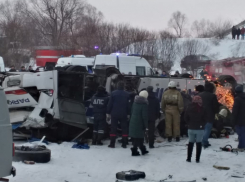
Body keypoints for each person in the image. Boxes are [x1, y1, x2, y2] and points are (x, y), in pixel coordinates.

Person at [107, 81, 130, 148]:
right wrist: (128, 113)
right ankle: (124, 143)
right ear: (123, 86)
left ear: (117, 86)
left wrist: (108, 112)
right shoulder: (127, 94)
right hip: (124, 113)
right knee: (124, 128)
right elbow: (128, 105)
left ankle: (112, 144)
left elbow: (110, 104)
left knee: (113, 128)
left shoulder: (113, 93)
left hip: (114, 113)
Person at [184, 95, 206, 163]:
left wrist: (189, 123)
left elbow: (185, 117)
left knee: (191, 143)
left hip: (191, 128)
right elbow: (205, 118)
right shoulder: (202, 108)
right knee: (199, 143)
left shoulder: (189, 107)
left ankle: (188, 158)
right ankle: (197, 159)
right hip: (200, 128)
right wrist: (202, 124)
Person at [199, 82, 219, 148]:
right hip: (209, 115)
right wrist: (216, 112)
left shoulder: (200, 95)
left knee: (202, 129)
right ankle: (204, 142)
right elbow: (215, 106)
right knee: (207, 129)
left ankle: (202, 141)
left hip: (201, 114)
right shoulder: (213, 96)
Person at [129, 90, 149, 156]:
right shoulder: (144, 105)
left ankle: (143, 149)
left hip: (133, 121)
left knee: (138, 137)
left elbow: (131, 112)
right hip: (140, 123)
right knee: (138, 137)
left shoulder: (135, 102)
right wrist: (146, 125)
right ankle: (134, 150)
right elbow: (145, 116)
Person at [232, 85, 245, 149]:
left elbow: (235, 110)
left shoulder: (237, 99)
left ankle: (241, 146)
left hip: (240, 119)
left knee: (240, 133)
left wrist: (232, 119)